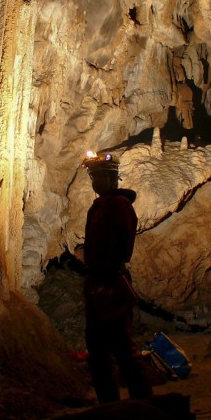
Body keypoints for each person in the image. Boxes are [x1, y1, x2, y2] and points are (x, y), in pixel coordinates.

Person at [81, 151, 153, 403]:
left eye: (99, 177)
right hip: (96, 280)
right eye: (93, 177)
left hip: (109, 280)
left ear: (112, 180)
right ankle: (108, 404)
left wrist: (109, 273)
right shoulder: (99, 206)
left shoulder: (119, 205)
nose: (95, 182)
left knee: (122, 345)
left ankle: (142, 404)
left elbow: (122, 242)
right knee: (97, 348)